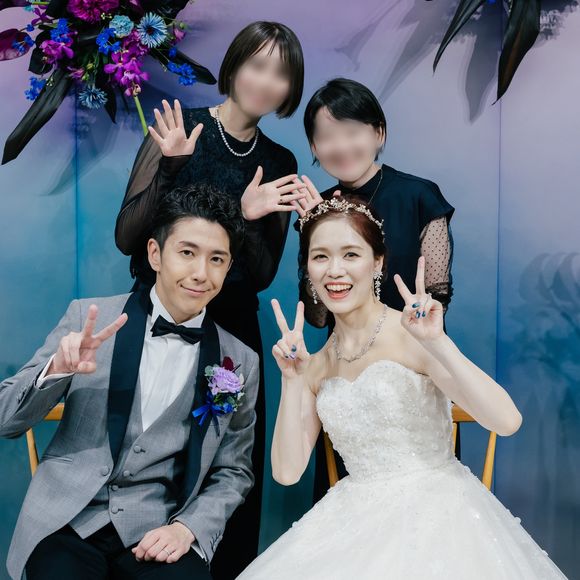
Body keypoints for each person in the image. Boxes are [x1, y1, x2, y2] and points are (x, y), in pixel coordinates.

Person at [237, 196, 567, 579]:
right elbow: (287, 472)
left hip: (440, 516)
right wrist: (292, 381)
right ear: (308, 268)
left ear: (377, 262)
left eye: (350, 254)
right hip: (353, 519)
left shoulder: (413, 335)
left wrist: (438, 343)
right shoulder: (316, 365)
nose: (335, 270)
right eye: (320, 256)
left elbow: (507, 421)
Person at [115, 21, 305, 579]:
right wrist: (171, 164)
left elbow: (261, 275)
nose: (265, 82)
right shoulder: (182, 130)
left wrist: (248, 218)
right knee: (146, 450)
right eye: (257, 65)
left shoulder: (281, 161)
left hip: (231, 331)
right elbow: (128, 237)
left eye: (281, 73)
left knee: (226, 460)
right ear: (234, 66)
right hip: (159, 314)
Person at [0, 185, 260, 580]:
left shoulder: (239, 362)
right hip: (66, 524)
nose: (200, 273)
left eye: (216, 259)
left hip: (157, 530)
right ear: (155, 254)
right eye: (187, 253)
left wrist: (186, 528)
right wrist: (57, 369)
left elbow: (234, 472)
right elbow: (6, 421)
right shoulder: (89, 319)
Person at [292, 77, 456, 498]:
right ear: (314, 146)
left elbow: (435, 300)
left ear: (378, 133)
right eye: (327, 136)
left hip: (409, 376)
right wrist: (315, 227)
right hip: (345, 382)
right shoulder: (315, 208)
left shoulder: (419, 196)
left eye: (353, 132)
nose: (341, 146)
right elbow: (317, 316)